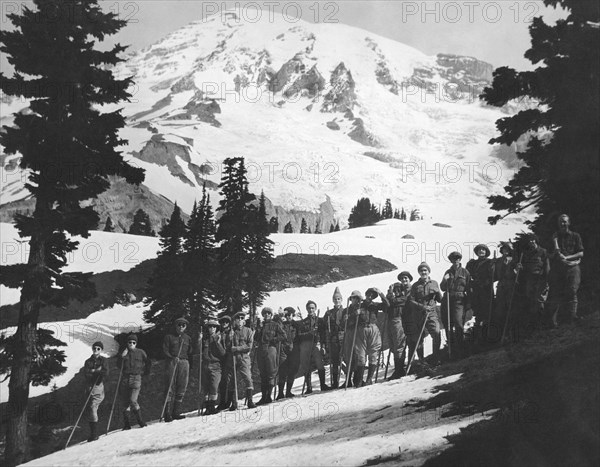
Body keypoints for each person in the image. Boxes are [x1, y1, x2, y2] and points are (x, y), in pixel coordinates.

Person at [548, 214, 584, 326]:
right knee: (557, 292)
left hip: (573, 267)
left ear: (569, 223)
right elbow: (549, 254)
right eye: (560, 222)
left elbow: (581, 253)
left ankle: (572, 317)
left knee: (572, 291)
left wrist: (567, 257)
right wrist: (555, 247)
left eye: (564, 221)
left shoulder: (575, 236)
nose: (562, 224)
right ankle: (553, 322)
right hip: (558, 268)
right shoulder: (554, 237)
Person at [515, 234, 549, 337]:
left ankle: (541, 324)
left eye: (533, 240)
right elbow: (524, 268)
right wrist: (520, 267)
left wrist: (545, 279)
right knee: (531, 301)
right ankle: (533, 326)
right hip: (529, 280)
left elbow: (547, 267)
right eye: (530, 241)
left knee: (539, 301)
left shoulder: (543, 251)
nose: (532, 242)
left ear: (536, 241)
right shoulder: (526, 253)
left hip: (540, 279)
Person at [409, 262, 443, 365]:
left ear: (428, 271)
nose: (423, 272)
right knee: (419, 337)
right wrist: (423, 306)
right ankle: (422, 361)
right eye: (421, 271)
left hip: (432, 313)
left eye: (425, 270)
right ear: (419, 272)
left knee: (436, 333)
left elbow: (440, 300)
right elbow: (411, 301)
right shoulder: (415, 286)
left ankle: (435, 358)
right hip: (419, 314)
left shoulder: (434, 283)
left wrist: (437, 293)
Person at [222, 312, 256, 410]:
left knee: (248, 378)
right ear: (235, 321)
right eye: (238, 318)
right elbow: (227, 347)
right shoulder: (231, 332)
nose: (240, 320)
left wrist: (237, 348)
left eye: (242, 318)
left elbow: (249, 346)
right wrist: (229, 338)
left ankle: (250, 401)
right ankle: (234, 403)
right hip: (232, 359)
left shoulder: (248, 331)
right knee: (231, 380)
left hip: (244, 358)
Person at [162, 317, 194, 422]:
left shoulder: (187, 338)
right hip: (172, 362)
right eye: (179, 325)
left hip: (184, 362)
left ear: (186, 327)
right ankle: (167, 413)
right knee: (170, 386)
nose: (181, 327)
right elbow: (165, 350)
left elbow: (191, 352)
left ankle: (176, 412)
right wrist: (171, 357)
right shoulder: (169, 337)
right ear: (176, 326)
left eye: (183, 325)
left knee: (182, 386)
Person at [296, 301, 331, 393]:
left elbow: (324, 334)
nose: (311, 310)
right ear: (307, 309)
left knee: (320, 364)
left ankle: (323, 385)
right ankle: (309, 387)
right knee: (306, 365)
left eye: (312, 308)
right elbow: (300, 335)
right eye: (309, 308)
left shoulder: (320, 321)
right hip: (306, 345)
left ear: (315, 309)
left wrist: (324, 346)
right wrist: (309, 333)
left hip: (317, 344)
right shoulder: (303, 322)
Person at [440, 252, 471, 356]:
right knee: (448, 324)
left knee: (458, 323)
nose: (455, 260)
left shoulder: (465, 272)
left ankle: (461, 348)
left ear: (460, 259)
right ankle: (451, 348)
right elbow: (443, 287)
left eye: (457, 258)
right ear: (451, 260)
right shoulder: (448, 272)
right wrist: (445, 280)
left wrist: (468, 303)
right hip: (448, 300)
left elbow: (468, 288)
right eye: (453, 258)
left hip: (459, 300)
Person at [119, 333, 151, 430]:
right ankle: (127, 425)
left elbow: (148, 362)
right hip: (125, 379)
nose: (131, 344)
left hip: (136, 378)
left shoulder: (141, 352)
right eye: (130, 342)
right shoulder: (124, 353)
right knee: (125, 403)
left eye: (133, 342)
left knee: (133, 400)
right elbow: (118, 366)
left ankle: (140, 421)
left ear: (136, 343)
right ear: (127, 343)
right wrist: (122, 357)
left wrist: (145, 372)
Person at [256, 307, 287, 405]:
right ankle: (263, 397)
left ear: (271, 315)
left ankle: (268, 396)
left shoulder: (275, 325)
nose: (267, 315)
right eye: (265, 313)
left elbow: (283, 336)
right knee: (263, 373)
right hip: (261, 350)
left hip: (271, 349)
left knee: (271, 372)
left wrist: (275, 339)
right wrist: (258, 329)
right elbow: (256, 338)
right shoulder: (260, 325)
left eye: (268, 313)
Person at [386, 272, 412, 379]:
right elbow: (388, 303)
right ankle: (398, 369)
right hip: (392, 323)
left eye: (398, 290)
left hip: (399, 322)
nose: (396, 292)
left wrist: (389, 294)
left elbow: (392, 301)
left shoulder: (403, 298)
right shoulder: (395, 300)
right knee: (393, 346)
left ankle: (399, 370)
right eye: (394, 290)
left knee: (399, 346)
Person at [466, 244, 494, 341]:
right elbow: (468, 275)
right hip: (476, 291)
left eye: (483, 249)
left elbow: (493, 276)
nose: (481, 251)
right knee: (478, 313)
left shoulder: (490, 262)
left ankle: (487, 337)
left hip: (486, 290)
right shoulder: (472, 263)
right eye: (479, 250)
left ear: (486, 252)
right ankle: (478, 338)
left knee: (487, 313)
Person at [83, 341, 108, 442]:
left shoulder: (104, 360)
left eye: (98, 349)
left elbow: (105, 373)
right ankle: (93, 433)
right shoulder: (88, 361)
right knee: (91, 409)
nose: (96, 350)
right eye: (94, 348)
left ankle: (94, 434)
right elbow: (86, 373)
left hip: (98, 387)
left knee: (93, 407)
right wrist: (96, 371)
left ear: (101, 350)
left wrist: (95, 372)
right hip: (89, 387)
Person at [492, 242, 517, 341]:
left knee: (510, 308)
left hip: (510, 286)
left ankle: (511, 332)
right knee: (500, 309)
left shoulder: (514, 260)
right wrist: (492, 266)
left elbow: (517, 273)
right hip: (501, 286)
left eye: (507, 249)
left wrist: (517, 270)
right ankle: (501, 333)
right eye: (504, 249)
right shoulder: (497, 261)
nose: (505, 251)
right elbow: (494, 275)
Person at [201, 316, 226, 415]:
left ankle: (212, 406)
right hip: (205, 365)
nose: (212, 329)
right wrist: (199, 341)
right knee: (206, 388)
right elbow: (198, 351)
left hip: (216, 366)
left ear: (216, 328)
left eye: (214, 327)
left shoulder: (220, 337)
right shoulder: (205, 339)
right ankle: (208, 407)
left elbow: (223, 353)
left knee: (214, 386)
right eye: (210, 327)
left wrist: (217, 343)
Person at [361, 288, 386, 385]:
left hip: (373, 329)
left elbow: (387, 305)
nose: (370, 297)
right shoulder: (360, 304)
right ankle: (359, 379)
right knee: (361, 355)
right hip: (362, 329)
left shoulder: (375, 305)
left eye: (372, 295)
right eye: (368, 294)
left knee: (373, 354)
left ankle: (369, 379)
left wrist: (381, 293)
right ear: (366, 294)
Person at [321, 287, 345, 388]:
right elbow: (324, 326)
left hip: (343, 337)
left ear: (341, 300)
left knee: (344, 359)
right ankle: (335, 382)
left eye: (339, 299)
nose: (337, 301)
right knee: (334, 361)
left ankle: (348, 379)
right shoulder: (328, 313)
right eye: (335, 299)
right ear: (333, 300)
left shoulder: (345, 311)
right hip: (333, 339)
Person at [277, 307, 300, 398]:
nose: (288, 317)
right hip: (283, 350)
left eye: (289, 315)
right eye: (286, 315)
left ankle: (288, 391)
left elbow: (300, 335)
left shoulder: (296, 325)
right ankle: (280, 393)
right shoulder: (281, 325)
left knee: (292, 370)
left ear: (293, 315)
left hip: (294, 350)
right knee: (282, 371)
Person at [216, 316, 233, 411]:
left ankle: (229, 401)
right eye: (222, 322)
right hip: (221, 359)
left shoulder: (232, 333)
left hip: (230, 357)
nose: (224, 323)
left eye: (226, 322)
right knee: (222, 381)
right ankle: (222, 401)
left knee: (229, 379)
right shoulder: (219, 334)